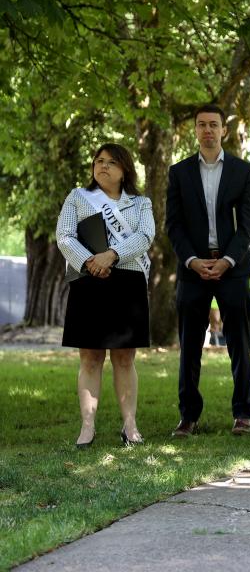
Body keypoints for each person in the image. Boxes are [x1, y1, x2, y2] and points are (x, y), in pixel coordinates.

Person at [166, 104, 250, 437]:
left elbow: (247, 225)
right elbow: (173, 225)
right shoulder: (179, 173)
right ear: (195, 130)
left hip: (232, 267)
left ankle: (243, 413)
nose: (208, 130)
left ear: (224, 131)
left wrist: (227, 260)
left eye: (214, 125)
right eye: (201, 125)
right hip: (193, 267)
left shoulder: (243, 171)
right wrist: (192, 260)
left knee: (239, 342)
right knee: (189, 344)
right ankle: (188, 416)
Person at [57, 143, 154, 448]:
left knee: (125, 357)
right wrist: (90, 261)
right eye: (99, 161)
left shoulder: (141, 204)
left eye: (112, 162)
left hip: (127, 281)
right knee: (89, 357)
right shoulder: (77, 197)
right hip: (88, 280)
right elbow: (65, 236)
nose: (103, 166)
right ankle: (87, 428)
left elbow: (144, 236)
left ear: (125, 170)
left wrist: (111, 255)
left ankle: (130, 426)